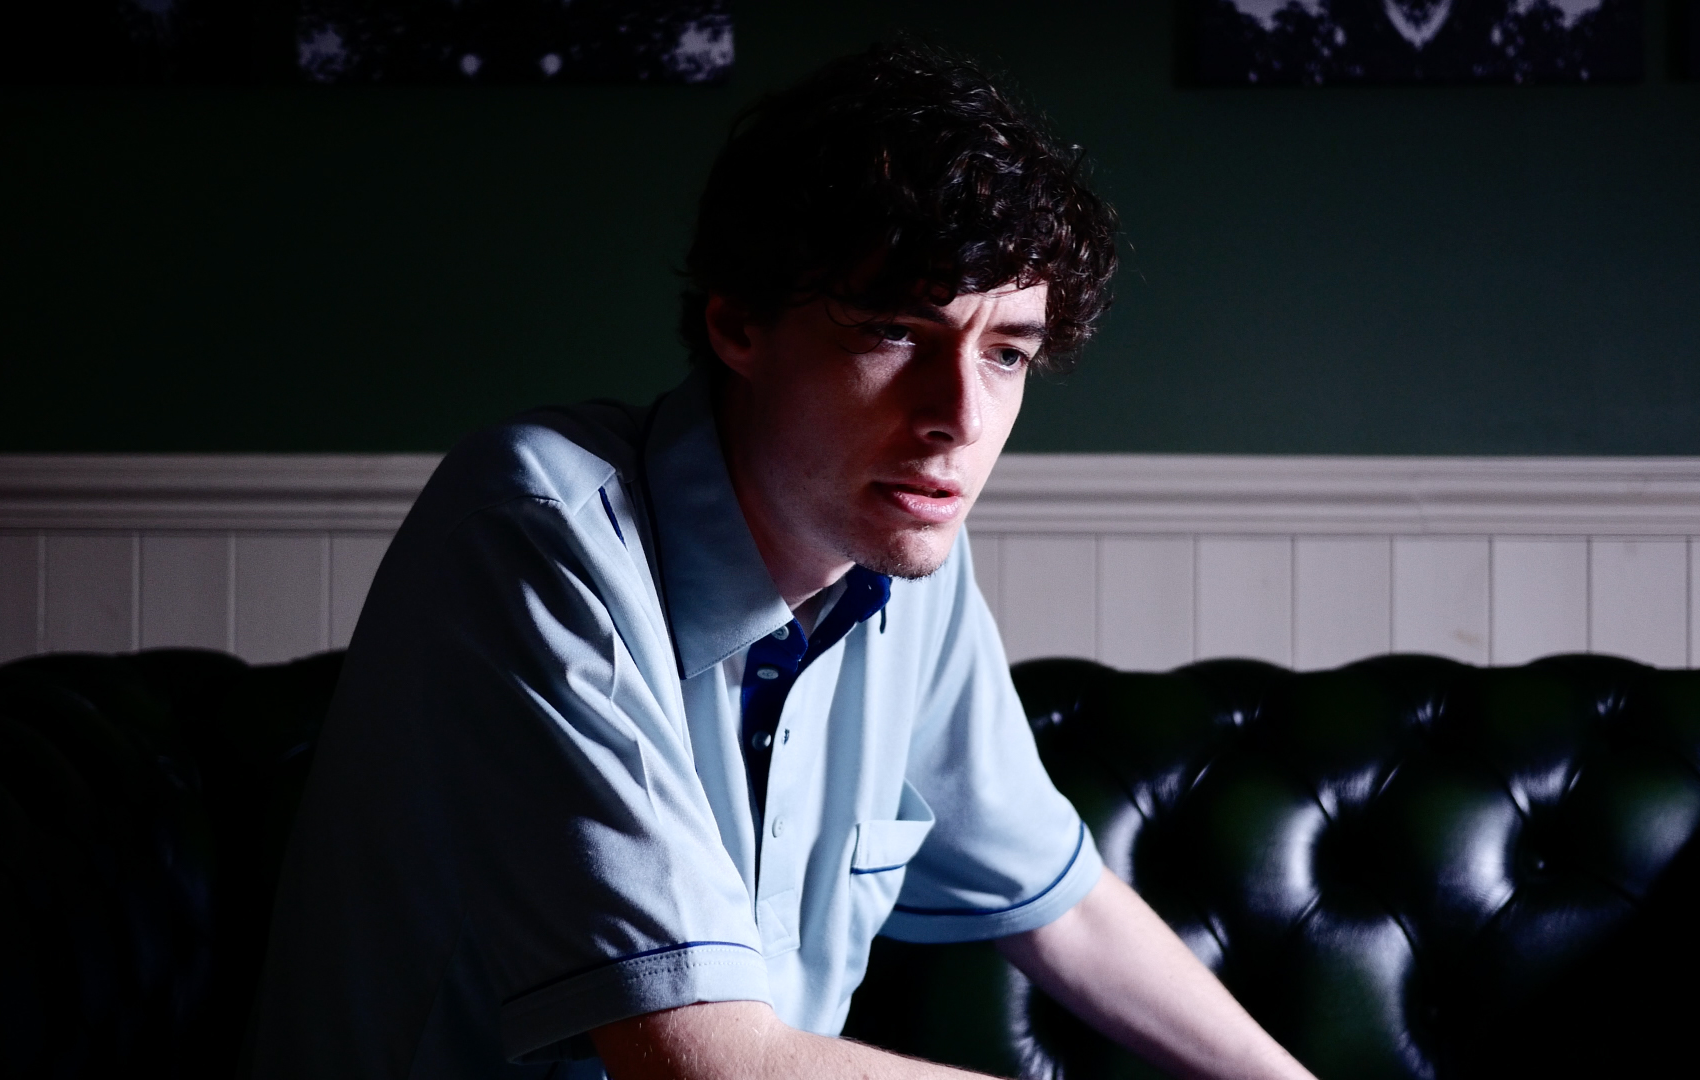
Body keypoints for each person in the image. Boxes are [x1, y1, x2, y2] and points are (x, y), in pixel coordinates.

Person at [250, 41, 1317, 1080]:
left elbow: (1061, 906)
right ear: (739, 324)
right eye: (895, 332)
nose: (959, 419)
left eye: (1005, 353)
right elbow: (707, 1062)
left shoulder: (903, 550)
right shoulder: (537, 527)